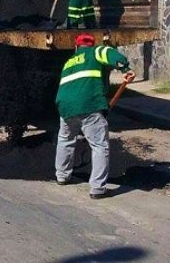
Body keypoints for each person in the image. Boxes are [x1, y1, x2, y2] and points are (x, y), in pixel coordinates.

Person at [54, 33, 135, 199]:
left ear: (76, 47)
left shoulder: (69, 61)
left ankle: (62, 176)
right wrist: (125, 69)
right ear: (91, 45)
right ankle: (97, 188)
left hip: (65, 105)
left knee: (65, 140)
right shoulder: (95, 51)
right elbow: (111, 53)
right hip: (88, 103)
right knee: (99, 145)